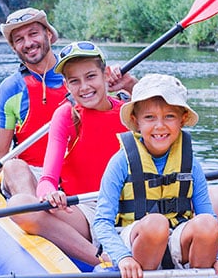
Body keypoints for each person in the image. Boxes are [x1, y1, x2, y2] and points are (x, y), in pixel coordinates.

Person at [91, 73, 218, 278]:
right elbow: (102, 222)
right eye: (149, 117)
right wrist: (122, 256)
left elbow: (209, 215)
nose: (159, 126)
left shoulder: (191, 163)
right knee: (156, 224)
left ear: (182, 119)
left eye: (169, 116)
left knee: (207, 223)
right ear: (137, 121)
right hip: (137, 241)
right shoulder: (121, 161)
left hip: (176, 240)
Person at [8, 41, 133, 266]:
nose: (84, 87)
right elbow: (47, 179)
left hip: (132, 208)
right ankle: (101, 260)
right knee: (20, 205)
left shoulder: (131, 109)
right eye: (74, 81)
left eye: (91, 76)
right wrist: (49, 193)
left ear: (106, 74)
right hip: (87, 210)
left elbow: (169, 120)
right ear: (66, 85)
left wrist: (133, 85)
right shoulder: (66, 115)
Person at [0, 8, 69, 199]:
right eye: (19, 39)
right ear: (14, 47)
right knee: (13, 166)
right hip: (31, 174)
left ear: (48, 34)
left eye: (33, 34)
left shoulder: (77, 76)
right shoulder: (11, 89)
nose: (28, 43)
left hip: (76, 173)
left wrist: (126, 83)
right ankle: (37, 216)